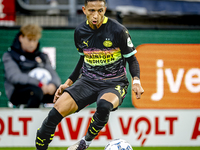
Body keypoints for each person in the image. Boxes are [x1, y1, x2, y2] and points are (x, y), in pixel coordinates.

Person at [35, 0, 144, 150]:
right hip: (87, 81)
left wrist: (136, 81)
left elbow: (132, 59)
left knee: (104, 106)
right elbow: (83, 60)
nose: (96, 15)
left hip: (114, 83)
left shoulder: (118, 30)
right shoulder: (80, 32)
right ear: (84, 10)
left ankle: (85, 143)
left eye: (100, 11)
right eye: (92, 10)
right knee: (54, 113)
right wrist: (68, 83)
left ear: (105, 10)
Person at [2, 24, 61, 108]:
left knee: (64, 93)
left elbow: (54, 75)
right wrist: (38, 84)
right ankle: (31, 119)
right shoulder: (10, 55)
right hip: (18, 92)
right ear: (21, 38)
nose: (32, 44)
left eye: (35, 40)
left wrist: (53, 85)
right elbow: (15, 77)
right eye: (29, 40)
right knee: (35, 92)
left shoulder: (43, 57)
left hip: (43, 89)